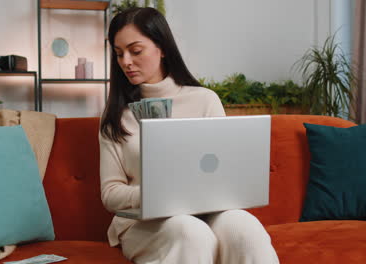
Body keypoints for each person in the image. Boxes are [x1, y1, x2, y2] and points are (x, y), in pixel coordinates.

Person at [99, 7, 279, 264]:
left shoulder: (204, 101)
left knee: (244, 228)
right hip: (143, 222)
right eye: (119, 54)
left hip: (207, 212)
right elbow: (110, 192)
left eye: (135, 51)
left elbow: (224, 172)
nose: (126, 61)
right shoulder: (116, 116)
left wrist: (196, 191)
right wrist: (155, 193)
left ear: (162, 48)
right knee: (190, 232)